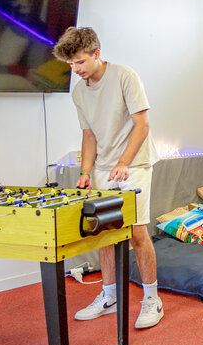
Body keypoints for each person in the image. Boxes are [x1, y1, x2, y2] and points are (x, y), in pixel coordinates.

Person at [53, 27, 163, 328]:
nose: (75, 70)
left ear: (96, 54)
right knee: (103, 232)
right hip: (102, 167)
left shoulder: (125, 76)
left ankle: (152, 298)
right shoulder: (79, 92)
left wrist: (124, 163)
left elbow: (142, 125)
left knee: (137, 232)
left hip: (136, 163)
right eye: (71, 65)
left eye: (80, 63)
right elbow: (89, 135)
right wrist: (86, 172)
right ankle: (109, 295)